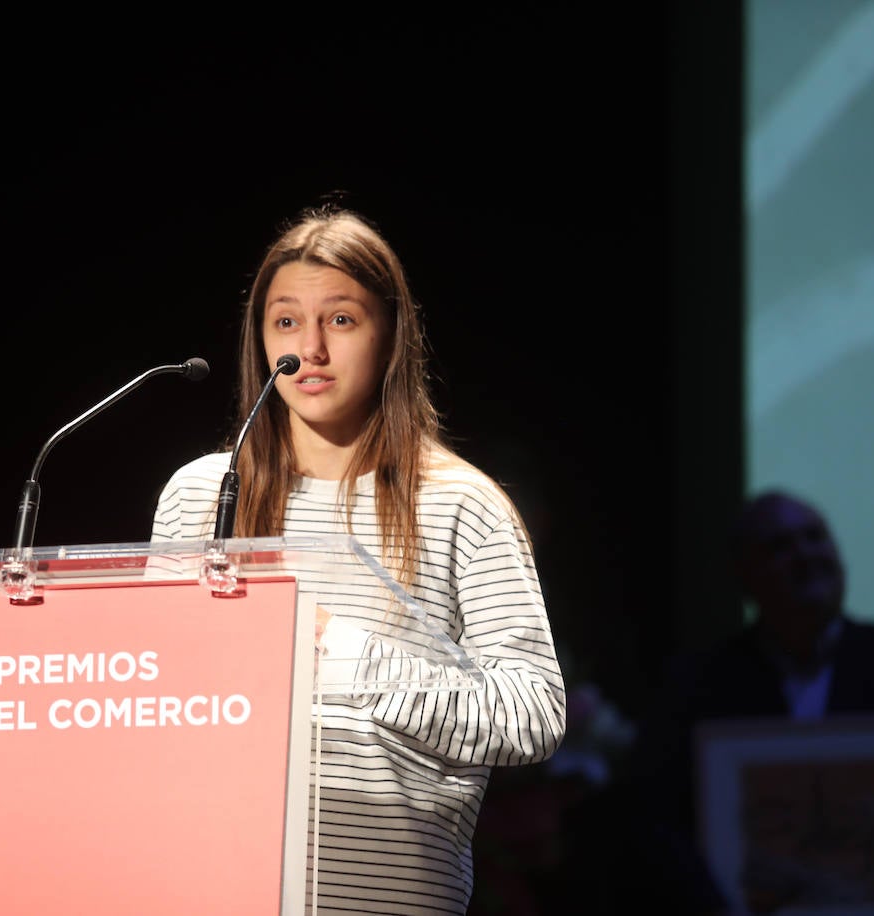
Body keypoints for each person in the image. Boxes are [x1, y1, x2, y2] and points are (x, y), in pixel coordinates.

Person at [149, 205, 567, 915]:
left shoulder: (460, 502)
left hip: (389, 896)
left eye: (340, 320)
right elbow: (152, 697)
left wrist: (337, 652)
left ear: (391, 336)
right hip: (215, 882)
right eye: (286, 322)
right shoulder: (201, 495)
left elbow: (531, 713)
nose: (308, 348)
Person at [630, 488, 874, 914]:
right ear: (744, 577)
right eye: (780, 546)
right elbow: (656, 824)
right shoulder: (694, 685)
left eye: (815, 538)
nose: (806, 555)